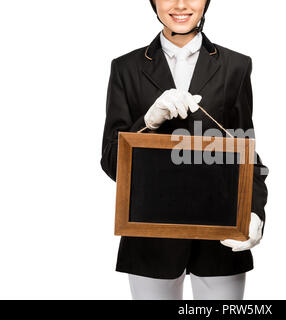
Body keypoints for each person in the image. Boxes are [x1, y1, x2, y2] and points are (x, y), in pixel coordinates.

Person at [100, 0, 269, 300]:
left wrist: (255, 211)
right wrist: (147, 122)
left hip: (221, 237)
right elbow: (112, 161)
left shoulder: (236, 66)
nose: (180, 4)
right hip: (150, 240)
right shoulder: (125, 68)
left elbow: (246, 153)